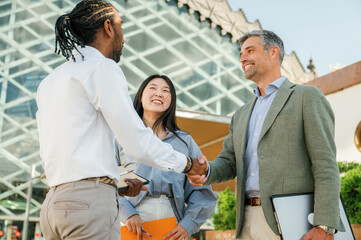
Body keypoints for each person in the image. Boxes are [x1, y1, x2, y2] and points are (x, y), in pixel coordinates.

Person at [36, 1, 206, 239]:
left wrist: (115, 181)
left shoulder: (50, 81)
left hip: (53, 204)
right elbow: (136, 142)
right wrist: (188, 164)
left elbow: (52, 152)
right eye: (121, 27)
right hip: (88, 204)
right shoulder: (102, 68)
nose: (123, 38)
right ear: (108, 27)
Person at [187, 30, 345, 240]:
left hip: (291, 222)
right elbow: (229, 162)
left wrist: (324, 224)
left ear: (273, 52)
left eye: (250, 51)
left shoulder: (305, 97)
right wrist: (207, 170)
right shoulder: (241, 114)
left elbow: (325, 164)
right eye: (241, 53)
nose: (242, 58)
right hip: (246, 222)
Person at [115, 75, 217, 240]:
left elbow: (202, 191)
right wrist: (128, 214)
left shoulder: (184, 142)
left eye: (165, 90)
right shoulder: (121, 137)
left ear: (172, 100)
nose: (159, 93)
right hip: (131, 225)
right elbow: (107, 182)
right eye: (153, 88)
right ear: (140, 96)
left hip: (171, 227)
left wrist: (187, 225)